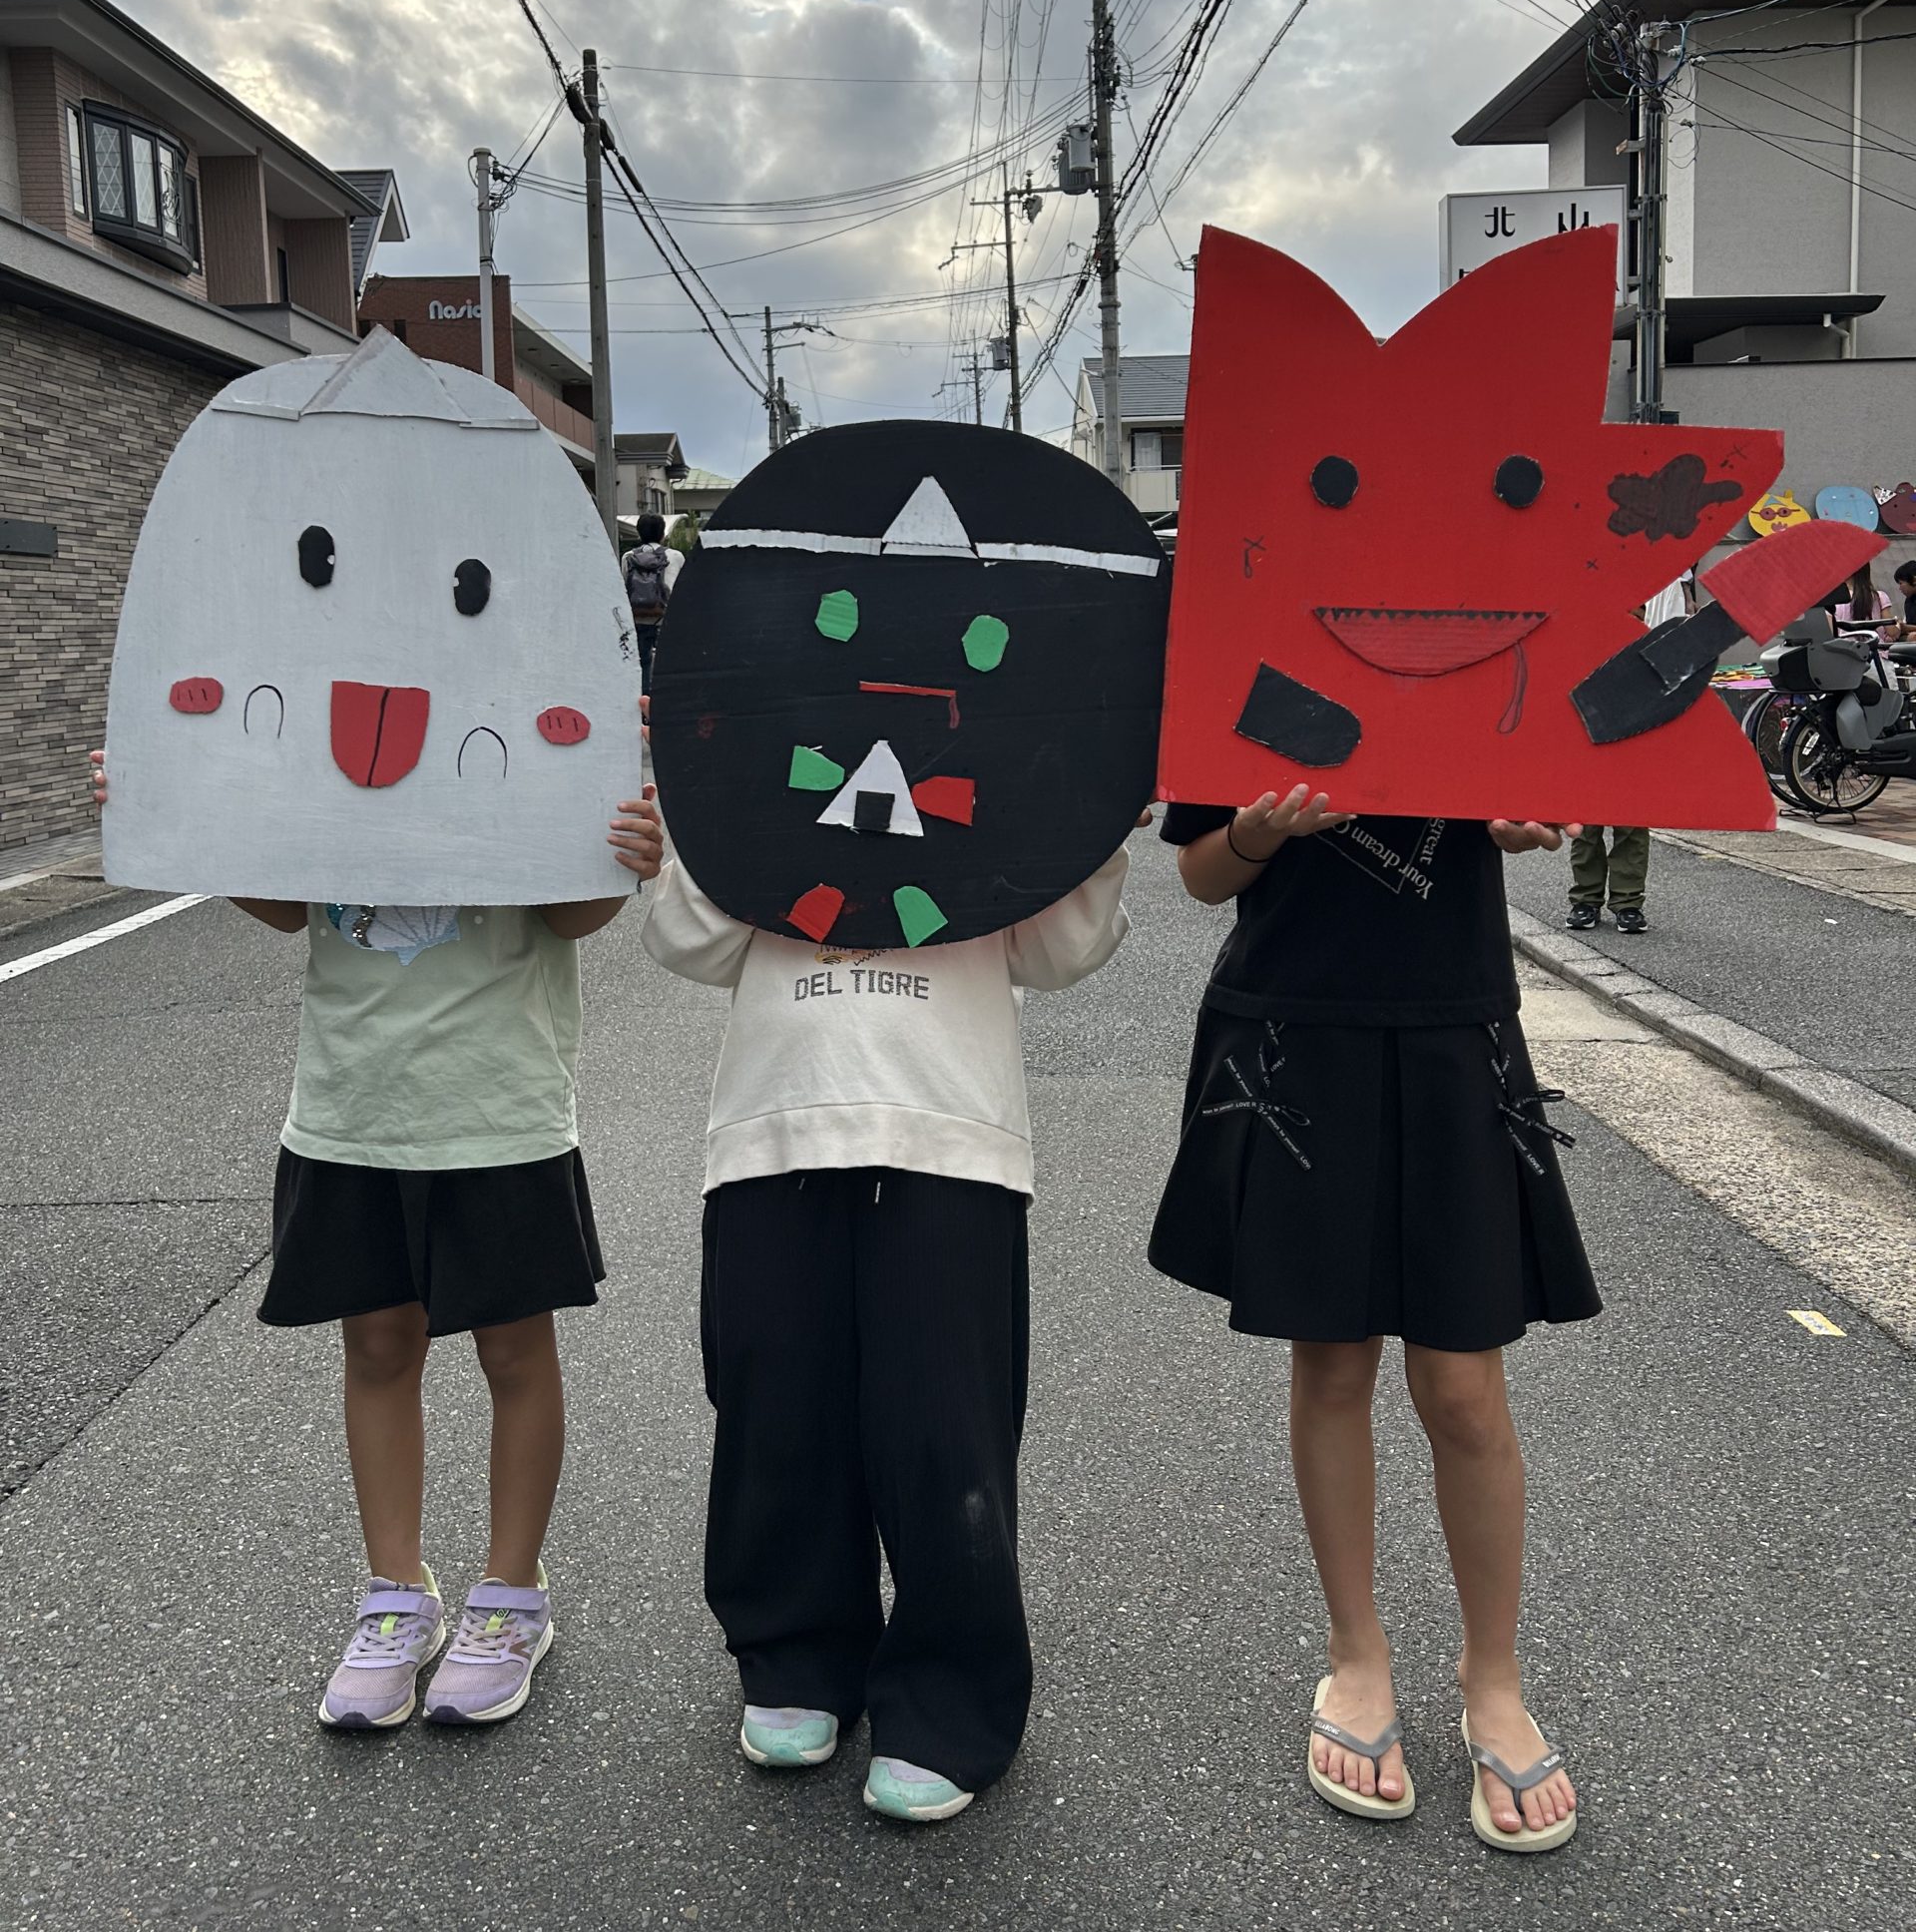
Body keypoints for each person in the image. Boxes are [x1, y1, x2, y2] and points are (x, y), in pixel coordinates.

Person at [87, 751, 664, 1730]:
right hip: (352, 1107)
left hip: (501, 1110)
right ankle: (397, 1593)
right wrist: (175, 805)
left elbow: (571, 917)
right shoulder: (321, 731)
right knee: (379, 1345)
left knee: (514, 1351)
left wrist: (620, 856)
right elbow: (284, 906)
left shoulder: (510, 725)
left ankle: (512, 1593)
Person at [634, 833, 1134, 1823]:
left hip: (951, 1122)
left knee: (942, 1428)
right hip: (776, 1117)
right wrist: (698, 828)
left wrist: (1089, 824)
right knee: (777, 1403)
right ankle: (794, 1654)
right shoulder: (765, 756)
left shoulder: (995, 768)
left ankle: (953, 1691)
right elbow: (691, 941)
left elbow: (1060, 949)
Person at [1152, 786, 1596, 1853]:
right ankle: (1356, 1655)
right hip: (1294, 1021)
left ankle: (1494, 1678)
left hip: (1455, 1021)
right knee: (1334, 1363)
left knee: (1464, 1389)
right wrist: (1263, 829)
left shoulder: (1490, 675)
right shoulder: (1253, 686)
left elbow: (1557, 785)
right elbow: (1204, 872)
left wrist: (1543, 811)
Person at [1566, 578, 1685, 935]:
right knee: (1586, 827)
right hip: (1587, 741)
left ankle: (1628, 902)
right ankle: (1585, 899)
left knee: (1630, 826)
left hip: (1633, 744)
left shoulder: (1645, 646)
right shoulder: (1582, 641)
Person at [622, 511, 684, 697]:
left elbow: (624, 588)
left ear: (639, 533)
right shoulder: (676, 556)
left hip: (638, 617)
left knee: (642, 662)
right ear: (662, 533)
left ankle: (644, 701)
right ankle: (667, 697)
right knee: (670, 661)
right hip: (667, 618)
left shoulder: (628, 557)